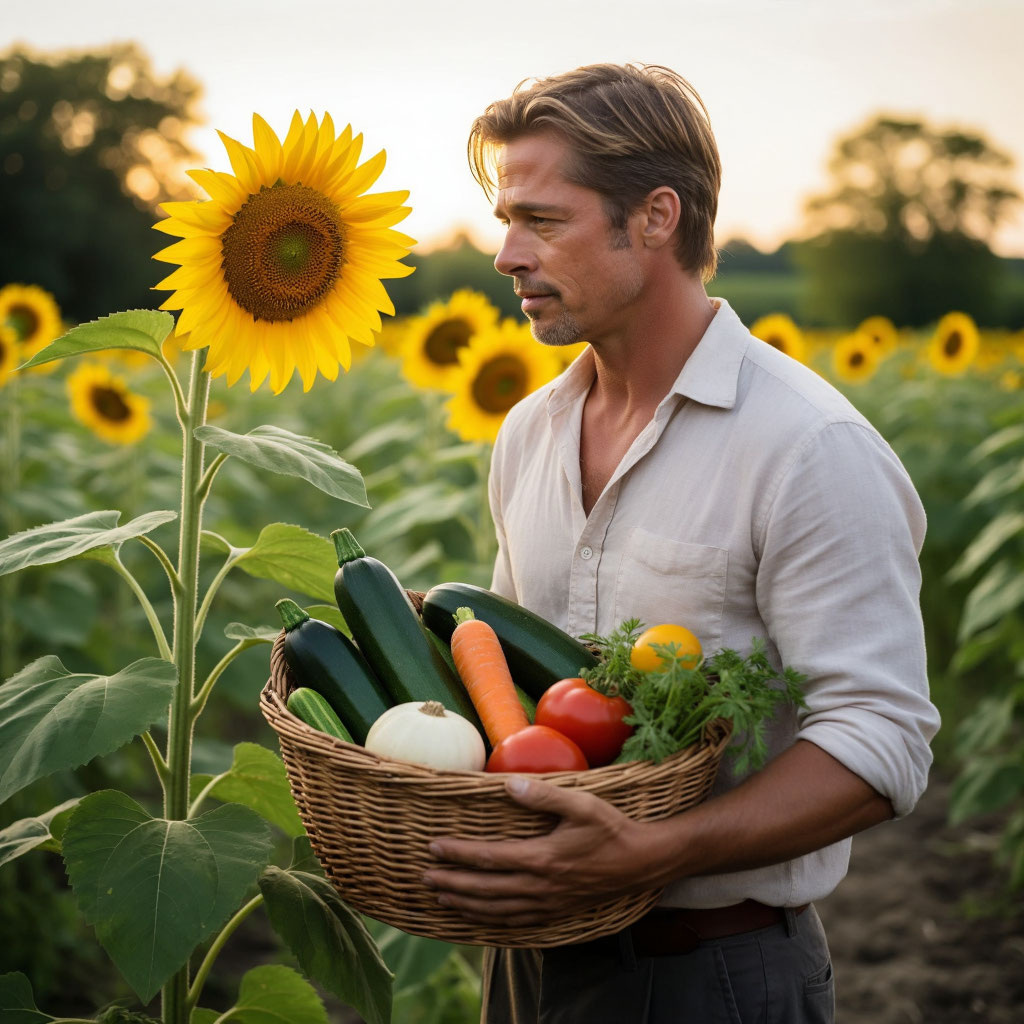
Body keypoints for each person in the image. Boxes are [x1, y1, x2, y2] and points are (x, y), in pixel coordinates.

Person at [422, 63, 941, 1023]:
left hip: (713, 974)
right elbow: (515, 703)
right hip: (526, 966)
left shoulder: (807, 449)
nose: (505, 253)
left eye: (542, 220)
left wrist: (658, 848)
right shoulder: (530, 431)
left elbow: (882, 740)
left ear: (655, 218)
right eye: (507, 219)